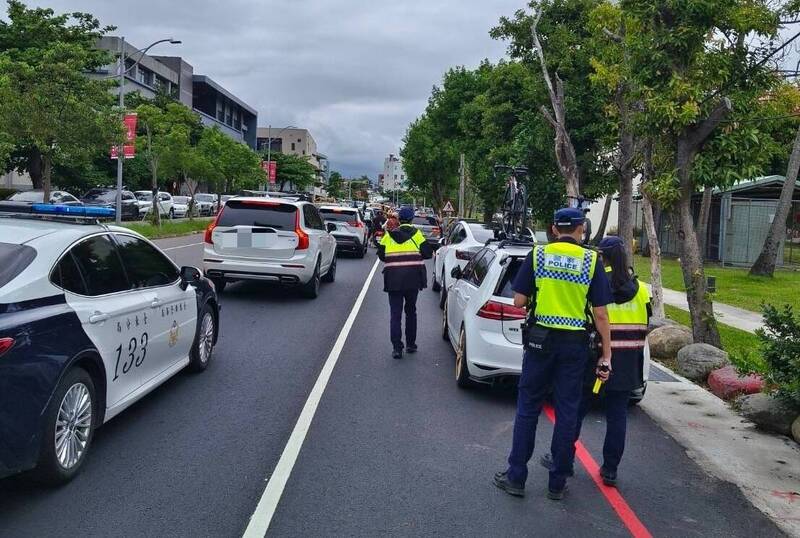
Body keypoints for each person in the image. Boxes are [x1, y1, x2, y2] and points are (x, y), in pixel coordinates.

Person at [493, 208, 613, 500]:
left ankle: (516, 476)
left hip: (539, 342)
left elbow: (519, 301)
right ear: (581, 229)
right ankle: (557, 483)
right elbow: (600, 313)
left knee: (528, 408)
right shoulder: (591, 260)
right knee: (567, 411)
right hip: (574, 344)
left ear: (554, 229)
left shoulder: (538, 255)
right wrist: (606, 355)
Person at [539, 236, 651, 487]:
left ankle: (562, 457)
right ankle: (610, 469)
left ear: (603, 257)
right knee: (617, 415)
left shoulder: (596, 284)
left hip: (596, 358)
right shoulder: (641, 289)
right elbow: (647, 322)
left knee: (575, 410)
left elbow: (592, 317)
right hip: (628, 360)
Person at [377, 207, 433, 359]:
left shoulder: (388, 236)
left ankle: (397, 348)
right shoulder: (417, 235)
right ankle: (410, 345)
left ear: (399, 219)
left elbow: (382, 256)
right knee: (410, 311)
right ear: (412, 219)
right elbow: (428, 254)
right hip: (412, 280)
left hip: (393, 280)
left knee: (395, 314)